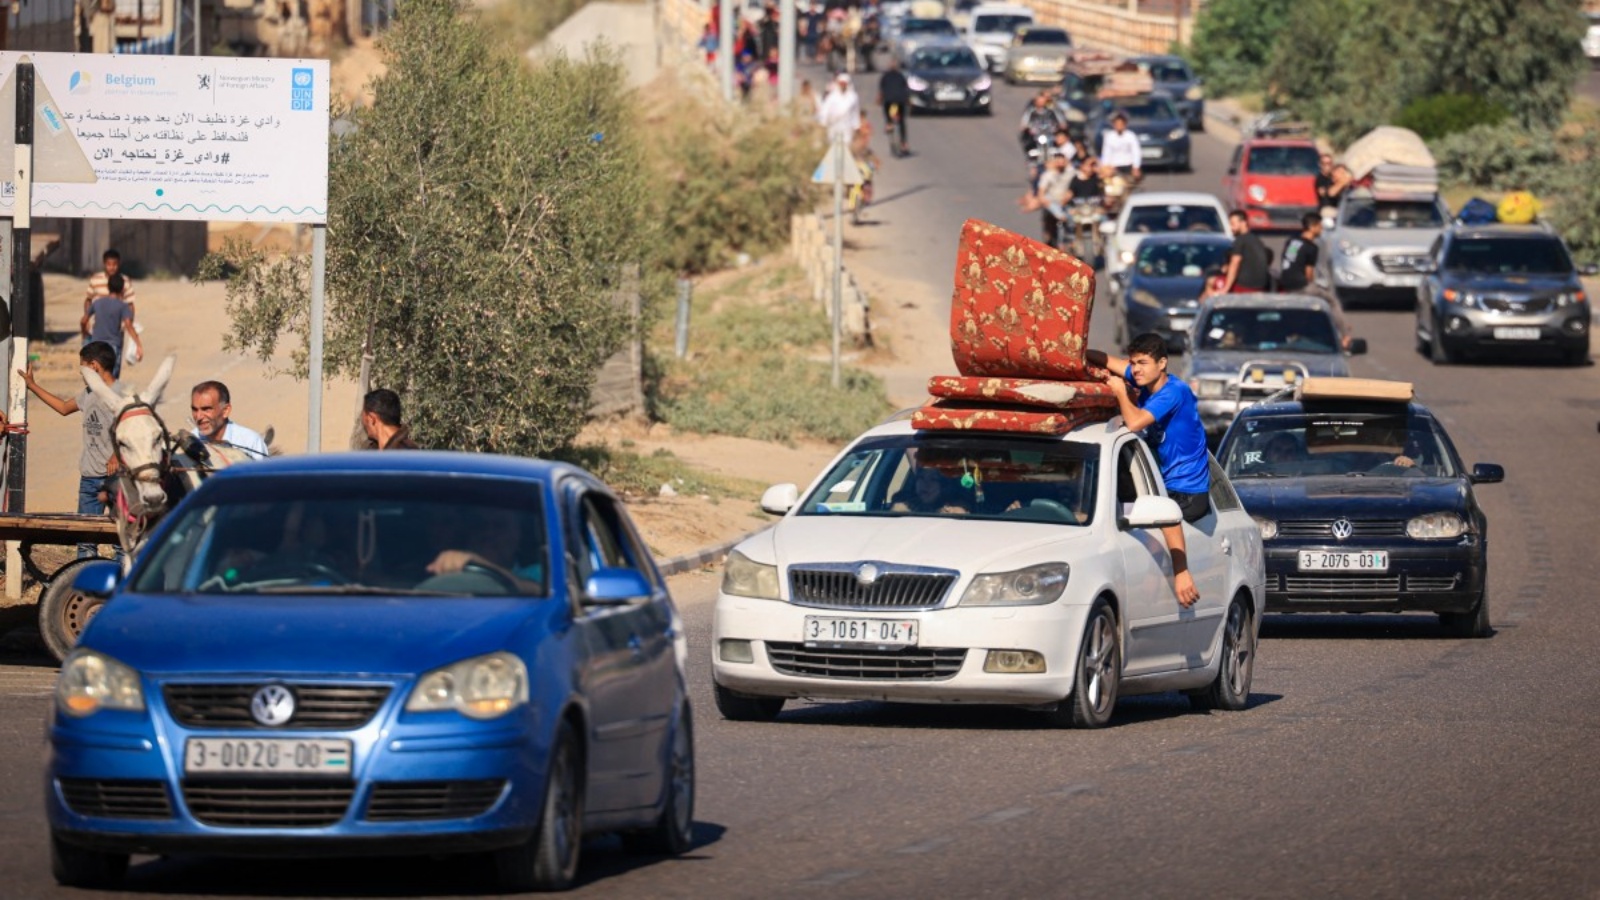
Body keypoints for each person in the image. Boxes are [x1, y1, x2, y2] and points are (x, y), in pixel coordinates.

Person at [1087, 334, 1210, 607]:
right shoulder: (1143, 377)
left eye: (1143, 363)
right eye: (1134, 363)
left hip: (1186, 492)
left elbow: (1134, 423)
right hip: (1162, 483)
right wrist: (1077, 353)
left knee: (1154, 525)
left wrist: (1120, 391)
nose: (1136, 369)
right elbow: (1106, 360)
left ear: (1163, 363)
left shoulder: (1173, 393)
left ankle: (1179, 576)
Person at [18, 342, 123, 559]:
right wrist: (32, 385)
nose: (81, 373)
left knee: (121, 542)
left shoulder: (122, 395)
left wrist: (117, 454)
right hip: (89, 479)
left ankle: (122, 587)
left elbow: (132, 432)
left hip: (117, 481)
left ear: (93, 366)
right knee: (86, 542)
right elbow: (64, 408)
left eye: (82, 368)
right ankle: (86, 589)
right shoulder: (88, 393)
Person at [81, 273, 143, 379]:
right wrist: (138, 344)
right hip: (113, 347)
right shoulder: (122, 306)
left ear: (108, 287)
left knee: (96, 380)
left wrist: (85, 335)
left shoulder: (97, 303)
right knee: (112, 380)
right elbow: (128, 325)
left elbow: (83, 321)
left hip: (96, 345)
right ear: (122, 289)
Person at [190, 380, 270, 458]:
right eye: (194, 409)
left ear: (225, 411)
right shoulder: (190, 441)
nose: (199, 416)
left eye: (206, 409)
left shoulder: (250, 442)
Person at [1205, 209, 1272, 296]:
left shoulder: (1240, 240)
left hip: (1244, 286)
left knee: (1210, 281)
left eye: (1233, 224)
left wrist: (1226, 288)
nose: (1231, 228)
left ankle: (1202, 308)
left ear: (1243, 223)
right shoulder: (1257, 240)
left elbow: (1235, 263)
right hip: (1260, 286)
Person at [1025, 151, 1074, 247]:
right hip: (1052, 203)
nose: (1060, 163)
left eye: (1062, 161)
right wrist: (1043, 201)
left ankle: (1070, 240)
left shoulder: (1070, 173)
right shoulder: (1048, 175)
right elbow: (1041, 192)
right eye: (1058, 161)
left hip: (1066, 201)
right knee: (1049, 205)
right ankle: (1059, 218)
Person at [84, 249, 136, 327]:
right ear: (104, 264)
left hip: (117, 328)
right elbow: (88, 300)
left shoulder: (125, 281)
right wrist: (86, 319)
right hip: (99, 326)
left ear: (119, 264)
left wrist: (130, 322)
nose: (112, 268)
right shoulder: (95, 280)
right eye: (109, 264)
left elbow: (130, 305)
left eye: (115, 264)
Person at [890, 467, 969, 515]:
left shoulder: (953, 506)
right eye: (921, 478)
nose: (925, 484)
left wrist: (956, 512)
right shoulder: (904, 502)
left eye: (933, 479)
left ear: (943, 486)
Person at [1278, 213, 1322, 293]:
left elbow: (1289, 258)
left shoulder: (1291, 241)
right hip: (1300, 285)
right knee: (1330, 300)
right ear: (1312, 227)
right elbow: (1309, 273)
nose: (1321, 229)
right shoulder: (1311, 247)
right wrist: (1312, 287)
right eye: (1320, 226)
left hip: (1285, 281)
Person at [877, 56, 911, 157]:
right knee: (901, 122)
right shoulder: (901, 76)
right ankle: (903, 143)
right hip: (900, 101)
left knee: (888, 111)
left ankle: (889, 123)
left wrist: (879, 99)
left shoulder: (885, 76)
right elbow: (906, 89)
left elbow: (881, 91)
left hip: (890, 101)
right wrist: (908, 101)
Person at [818, 72, 862, 146]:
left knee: (846, 145)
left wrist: (856, 126)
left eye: (844, 83)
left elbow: (855, 113)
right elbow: (825, 110)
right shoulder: (832, 97)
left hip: (846, 126)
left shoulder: (853, 97)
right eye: (841, 83)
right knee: (834, 145)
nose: (843, 86)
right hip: (834, 125)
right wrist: (823, 124)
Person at [1099, 112, 1142, 179]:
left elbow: (1136, 152)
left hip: (1128, 164)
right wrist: (1104, 166)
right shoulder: (1109, 136)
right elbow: (1106, 153)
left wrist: (1136, 167)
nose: (1119, 126)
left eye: (1121, 124)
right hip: (1114, 166)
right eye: (1117, 124)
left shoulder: (1130, 136)